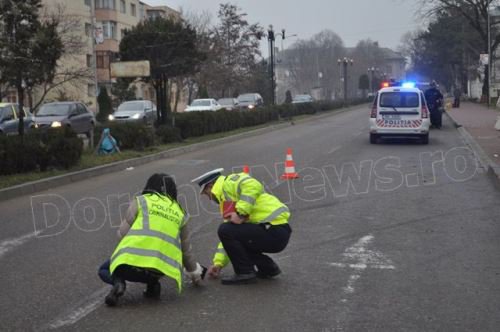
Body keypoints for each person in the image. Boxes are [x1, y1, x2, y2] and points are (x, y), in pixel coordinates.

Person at [98, 173, 205, 306]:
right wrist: (195, 275)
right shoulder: (180, 212)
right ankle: (153, 286)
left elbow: (122, 235)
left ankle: (118, 283)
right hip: (159, 271)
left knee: (104, 269)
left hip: (130, 268)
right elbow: (186, 251)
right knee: (154, 261)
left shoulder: (142, 201)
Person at [191, 168, 292, 285]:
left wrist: (240, 213)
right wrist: (218, 263)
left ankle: (245, 272)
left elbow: (252, 185)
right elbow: (229, 239)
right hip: (274, 233)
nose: (209, 198)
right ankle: (268, 268)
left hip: (274, 230)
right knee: (230, 232)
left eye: (206, 193)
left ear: (210, 186)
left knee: (225, 230)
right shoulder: (226, 200)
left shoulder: (229, 183)